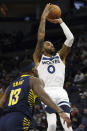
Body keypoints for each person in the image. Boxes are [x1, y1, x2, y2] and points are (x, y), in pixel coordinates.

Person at [33, 3, 74, 131]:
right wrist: (43, 18)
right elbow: (40, 38)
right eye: (48, 44)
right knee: (51, 125)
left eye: (51, 44)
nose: (51, 45)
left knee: (67, 125)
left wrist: (61, 22)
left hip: (61, 92)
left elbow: (70, 38)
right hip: (47, 92)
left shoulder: (60, 56)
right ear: (43, 48)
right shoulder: (38, 58)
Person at [0, 59, 71, 131]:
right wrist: (60, 111)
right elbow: (43, 96)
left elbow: (1, 104)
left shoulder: (11, 85)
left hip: (3, 121)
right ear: (33, 70)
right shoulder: (33, 80)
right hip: (19, 119)